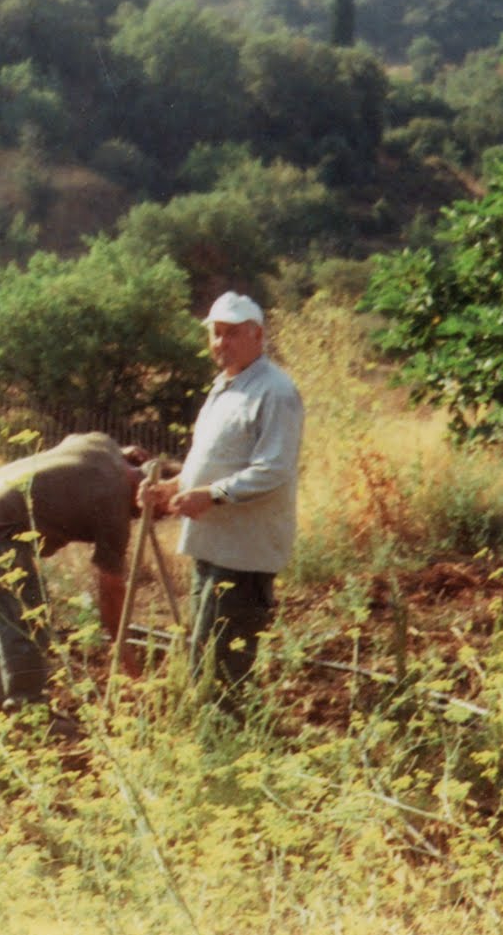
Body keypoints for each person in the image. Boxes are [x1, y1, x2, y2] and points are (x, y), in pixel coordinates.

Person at [144, 291, 304, 709]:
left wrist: (212, 496)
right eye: (216, 334)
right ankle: (212, 737)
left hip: (244, 550)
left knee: (227, 661)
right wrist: (175, 486)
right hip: (212, 544)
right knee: (203, 650)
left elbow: (273, 469)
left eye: (232, 334)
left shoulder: (276, 392)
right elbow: (215, 459)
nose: (221, 343)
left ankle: (233, 743)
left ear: (258, 336)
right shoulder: (226, 386)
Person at [0, 432, 163, 713]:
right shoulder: (115, 507)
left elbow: (80, 444)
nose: (138, 518)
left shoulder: (104, 446)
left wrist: (125, 453)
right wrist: (131, 668)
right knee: (28, 618)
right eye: (149, 512)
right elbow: (111, 599)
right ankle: (29, 709)